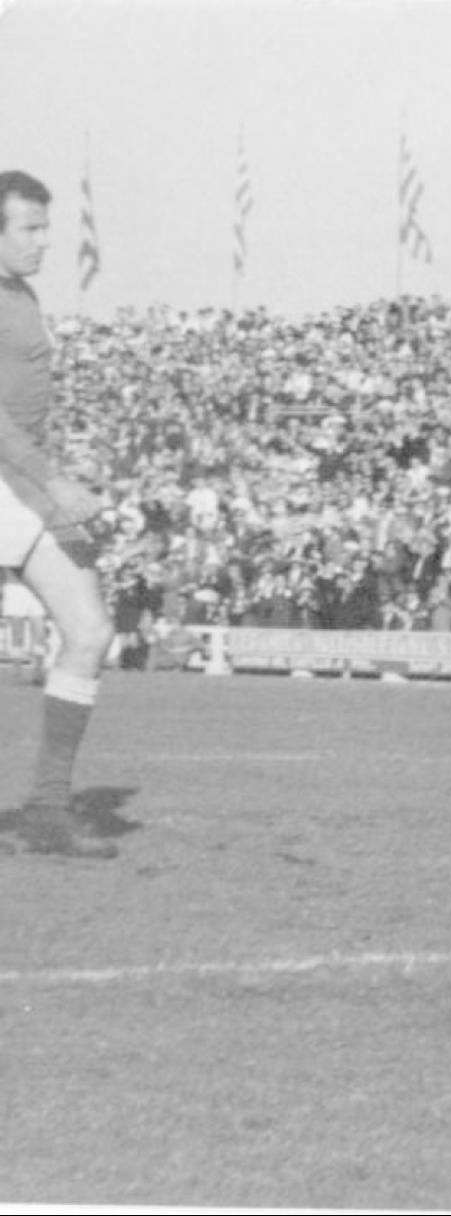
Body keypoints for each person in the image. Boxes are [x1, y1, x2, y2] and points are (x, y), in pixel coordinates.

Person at [0, 170, 116, 858]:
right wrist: (52, 478)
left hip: (21, 485)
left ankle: (46, 811)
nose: (44, 241)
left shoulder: (25, 296)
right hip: (13, 479)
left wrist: (56, 480)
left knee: (90, 629)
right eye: (30, 229)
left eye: (47, 228)